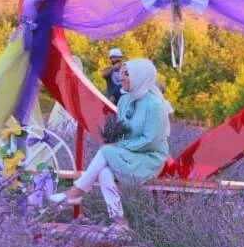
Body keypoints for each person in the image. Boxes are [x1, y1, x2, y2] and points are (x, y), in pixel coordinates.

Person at [49, 57, 173, 231]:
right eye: (121, 74)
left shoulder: (155, 105)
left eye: (126, 74)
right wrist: (118, 142)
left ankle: (75, 193)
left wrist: (121, 147)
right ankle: (119, 222)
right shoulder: (125, 100)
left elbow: (151, 140)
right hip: (129, 155)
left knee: (106, 151)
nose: (120, 78)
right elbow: (124, 130)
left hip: (149, 159)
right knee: (104, 172)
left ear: (140, 76)